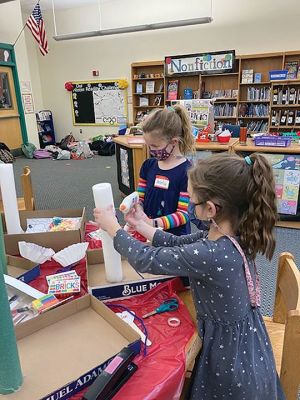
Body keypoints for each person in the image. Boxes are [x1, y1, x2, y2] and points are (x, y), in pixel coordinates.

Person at [94, 152, 286, 400]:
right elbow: (177, 242)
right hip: (247, 339)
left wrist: (114, 229)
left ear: (210, 209)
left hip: (229, 357)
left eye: (192, 203)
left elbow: (147, 259)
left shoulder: (211, 253)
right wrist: (142, 225)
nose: (189, 209)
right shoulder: (229, 232)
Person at [135, 105, 195, 236]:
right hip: (148, 232)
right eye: (148, 146)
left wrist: (153, 223)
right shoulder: (148, 166)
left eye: (155, 146)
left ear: (174, 142)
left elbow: (184, 214)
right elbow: (140, 196)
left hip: (174, 238)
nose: (151, 150)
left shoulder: (187, 172)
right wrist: (137, 208)